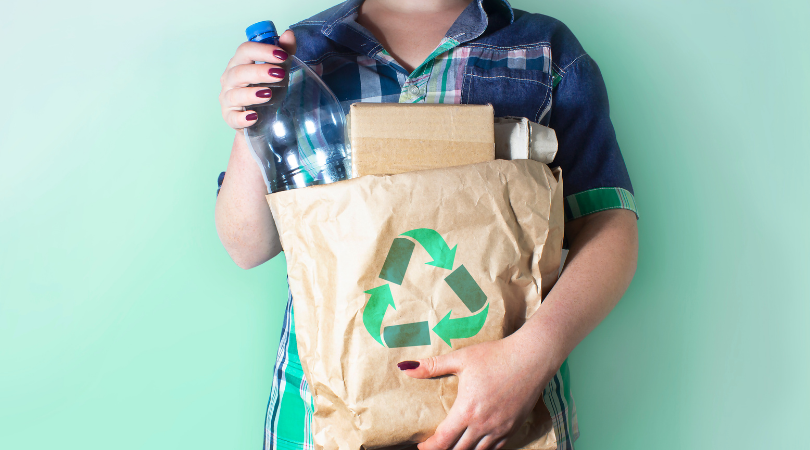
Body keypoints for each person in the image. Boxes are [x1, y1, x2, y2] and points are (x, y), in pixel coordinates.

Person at [215, 1, 639, 449]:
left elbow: (609, 225)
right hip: (325, 417)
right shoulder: (300, 54)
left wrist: (532, 356)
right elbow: (248, 247)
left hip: (502, 414)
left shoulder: (544, 51)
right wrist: (253, 123)